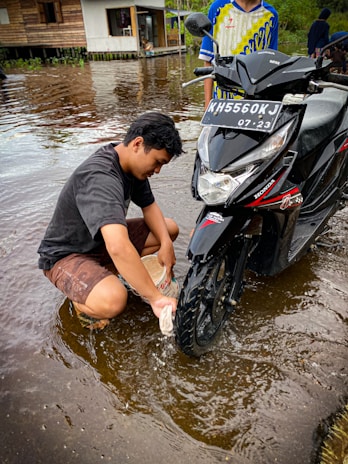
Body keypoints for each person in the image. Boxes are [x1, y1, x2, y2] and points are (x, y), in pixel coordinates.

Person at [38, 112, 183, 330]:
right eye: (157, 162)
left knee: (168, 228)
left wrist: (166, 244)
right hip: (66, 256)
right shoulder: (102, 177)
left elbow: (149, 206)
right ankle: (82, 301)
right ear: (137, 143)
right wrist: (155, 298)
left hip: (99, 244)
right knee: (114, 299)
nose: (158, 170)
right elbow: (118, 246)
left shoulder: (131, 164)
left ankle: (105, 274)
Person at [198, 0, 279, 108]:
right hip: (223, 100)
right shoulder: (218, 9)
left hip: (256, 101)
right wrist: (208, 104)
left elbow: (271, 62)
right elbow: (208, 61)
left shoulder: (271, 15)